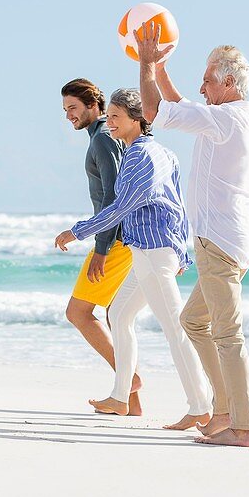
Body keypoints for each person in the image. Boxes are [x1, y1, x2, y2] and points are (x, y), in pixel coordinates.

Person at [136, 23, 249, 448]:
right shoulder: (236, 117)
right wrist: (161, 70)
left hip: (220, 242)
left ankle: (241, 427)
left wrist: (148, 65)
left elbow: (154, 111)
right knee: (194, 320)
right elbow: (178, 105)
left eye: (209, 79)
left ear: (229, 82)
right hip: (231, 239)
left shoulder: (226, 120)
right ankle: (224, 410)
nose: (202, 85)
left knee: (228, 335)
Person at [54, 89, 212, 428]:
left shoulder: (141, 157)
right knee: (119, 314)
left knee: (174, 329)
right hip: (150, 252)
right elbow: (178, 206)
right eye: (108, 115)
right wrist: (180, 251)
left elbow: (121, 206)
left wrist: (77, 231)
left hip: (153, 254)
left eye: (115, 117)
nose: (108, 123)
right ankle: (120, 397)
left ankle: (201, 405)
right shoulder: (163, 153)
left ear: (137, 120)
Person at [60, 78, 143, 415]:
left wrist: (102, 248)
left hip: (117, 240)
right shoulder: (104, 137)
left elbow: (113, 194)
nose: (68, 116)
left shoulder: (103, 139)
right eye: (65, 110)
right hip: (124, 237)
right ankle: (129, 402)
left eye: (73, 108)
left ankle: (130, 379)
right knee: (115, 315)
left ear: (94, 105)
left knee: (78, 313)